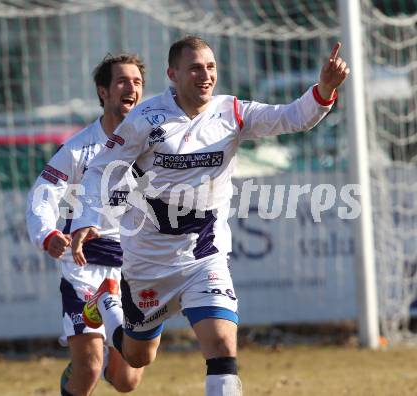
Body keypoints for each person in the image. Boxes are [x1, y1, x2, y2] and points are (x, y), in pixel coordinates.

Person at [70, 36, 349, 396]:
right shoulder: (146, 119)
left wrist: (323, 89)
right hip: (149, 261)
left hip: (204, 257)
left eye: (211, 67)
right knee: (138, 358)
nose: (206, 75)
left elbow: (291, 117)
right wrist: (85, 219)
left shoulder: (231, 113)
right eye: (195, 68)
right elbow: (100, 170)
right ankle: (109, 301)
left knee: (221, 346)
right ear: (173, 74)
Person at [26, 53, 146, 396]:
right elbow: (42, 194)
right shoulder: (78, 148)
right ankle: (86, 358)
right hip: (85, 266)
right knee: (89, 368)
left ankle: (108, 353)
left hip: (134, 269)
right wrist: (47, 234)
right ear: (103, 92)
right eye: (122, 81)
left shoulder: (152, 144)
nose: (131, 88)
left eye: (137, 82)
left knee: (126, 380)